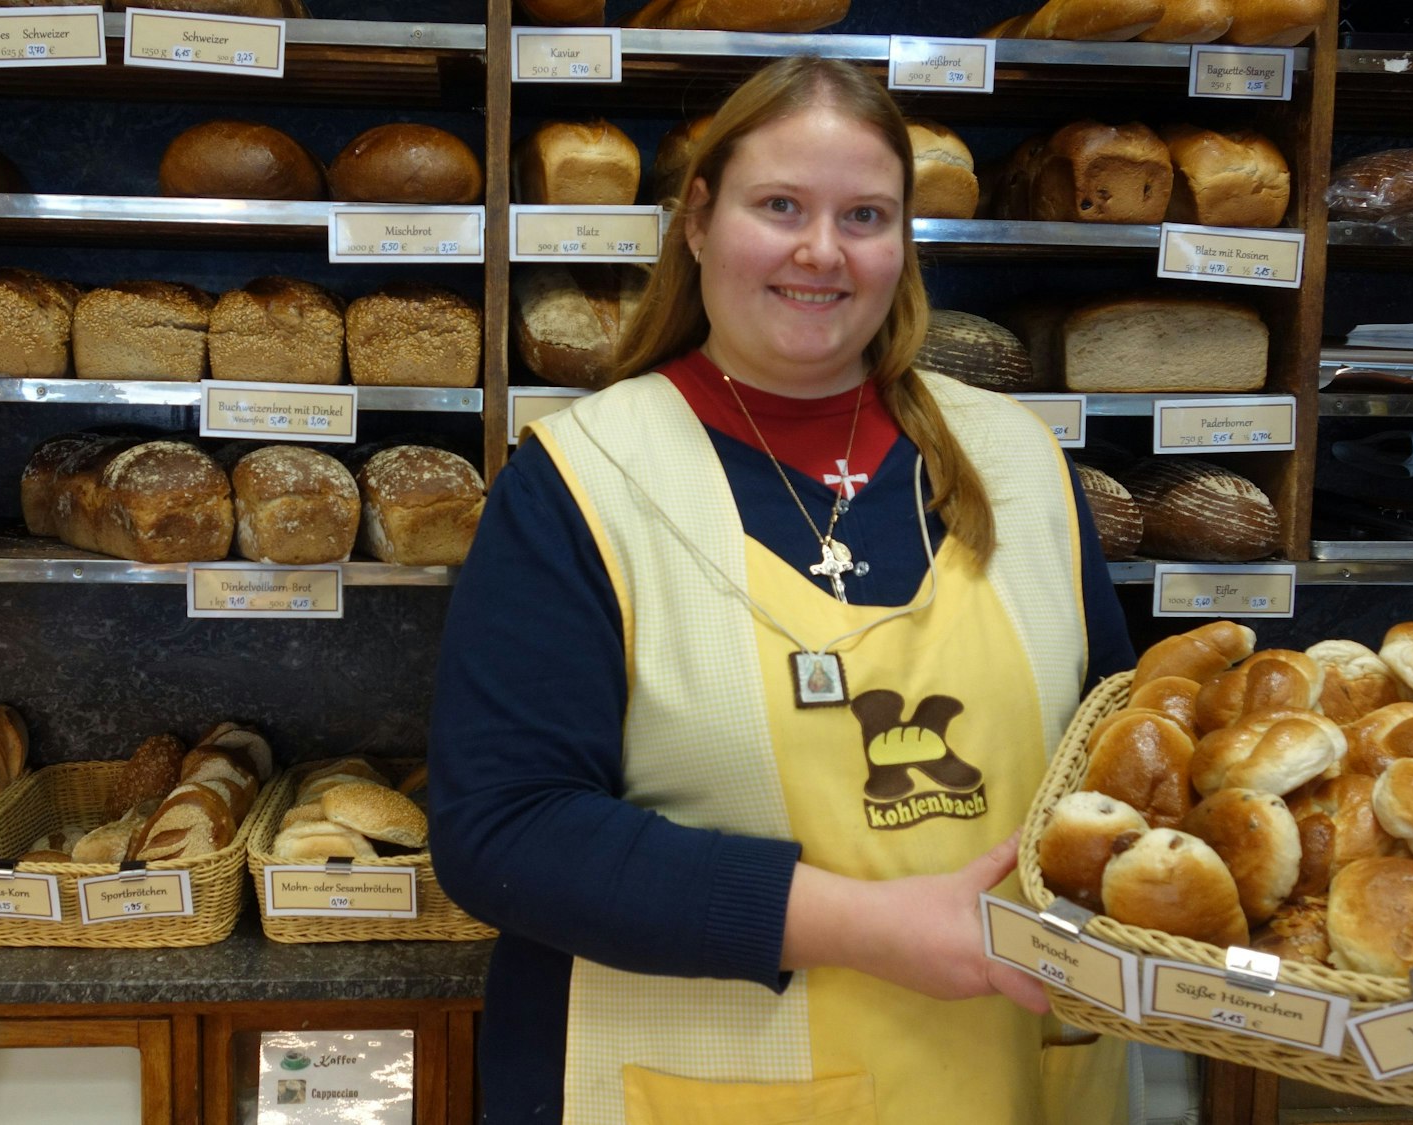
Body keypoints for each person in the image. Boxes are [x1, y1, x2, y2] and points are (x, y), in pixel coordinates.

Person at [429, 55, 1137, 1124]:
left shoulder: (1017, 463)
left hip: (1003, 1076)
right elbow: (506, 833)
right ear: (699, 222)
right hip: (705, 1086)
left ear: (902, 243)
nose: (822, 251)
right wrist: (865, 925)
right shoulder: (582, 476)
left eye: (863, 214)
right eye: (779, 207)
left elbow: (1116, 760)